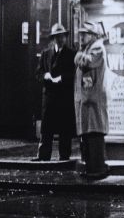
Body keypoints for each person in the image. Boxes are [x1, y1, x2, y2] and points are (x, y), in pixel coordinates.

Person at [35, 22, 76, 161]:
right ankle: (43, 156)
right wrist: (45, 76)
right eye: (58, 37)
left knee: (65, 129)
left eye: (63, 36)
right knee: (46, 129)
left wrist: (62, 78)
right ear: (53, 39)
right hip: (49, 96)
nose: (61, 39)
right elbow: (38, 73)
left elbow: (74, 74)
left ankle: (64, 157)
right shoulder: (46, 54)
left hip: (64, 96)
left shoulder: (72, 54)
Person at [74, 20, 109, 179]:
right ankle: (92, 168)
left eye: (85, 34)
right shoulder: (87, 48)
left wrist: (79, 55)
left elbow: (85, 61)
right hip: (86, 101)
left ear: (93, 35)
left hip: (93, 101)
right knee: (88, 135)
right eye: (80, 33)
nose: (81, 37)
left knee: (94, 134)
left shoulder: (97, 48)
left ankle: (97, 168)